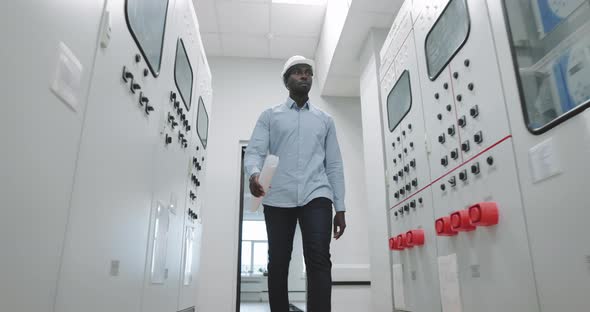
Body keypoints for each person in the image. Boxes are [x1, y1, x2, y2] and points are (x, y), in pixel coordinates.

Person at [244, 55, 346, 312]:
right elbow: (254, 151)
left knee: (319, 259)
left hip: (317, 194)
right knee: (277, 261)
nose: (304, 76)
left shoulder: (325, 120)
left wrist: (340, 207)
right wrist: (254, 173)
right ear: (286, 80)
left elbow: (333, 164)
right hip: (278, 196)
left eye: (308, 72)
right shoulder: (270, 116)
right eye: (298, 72)